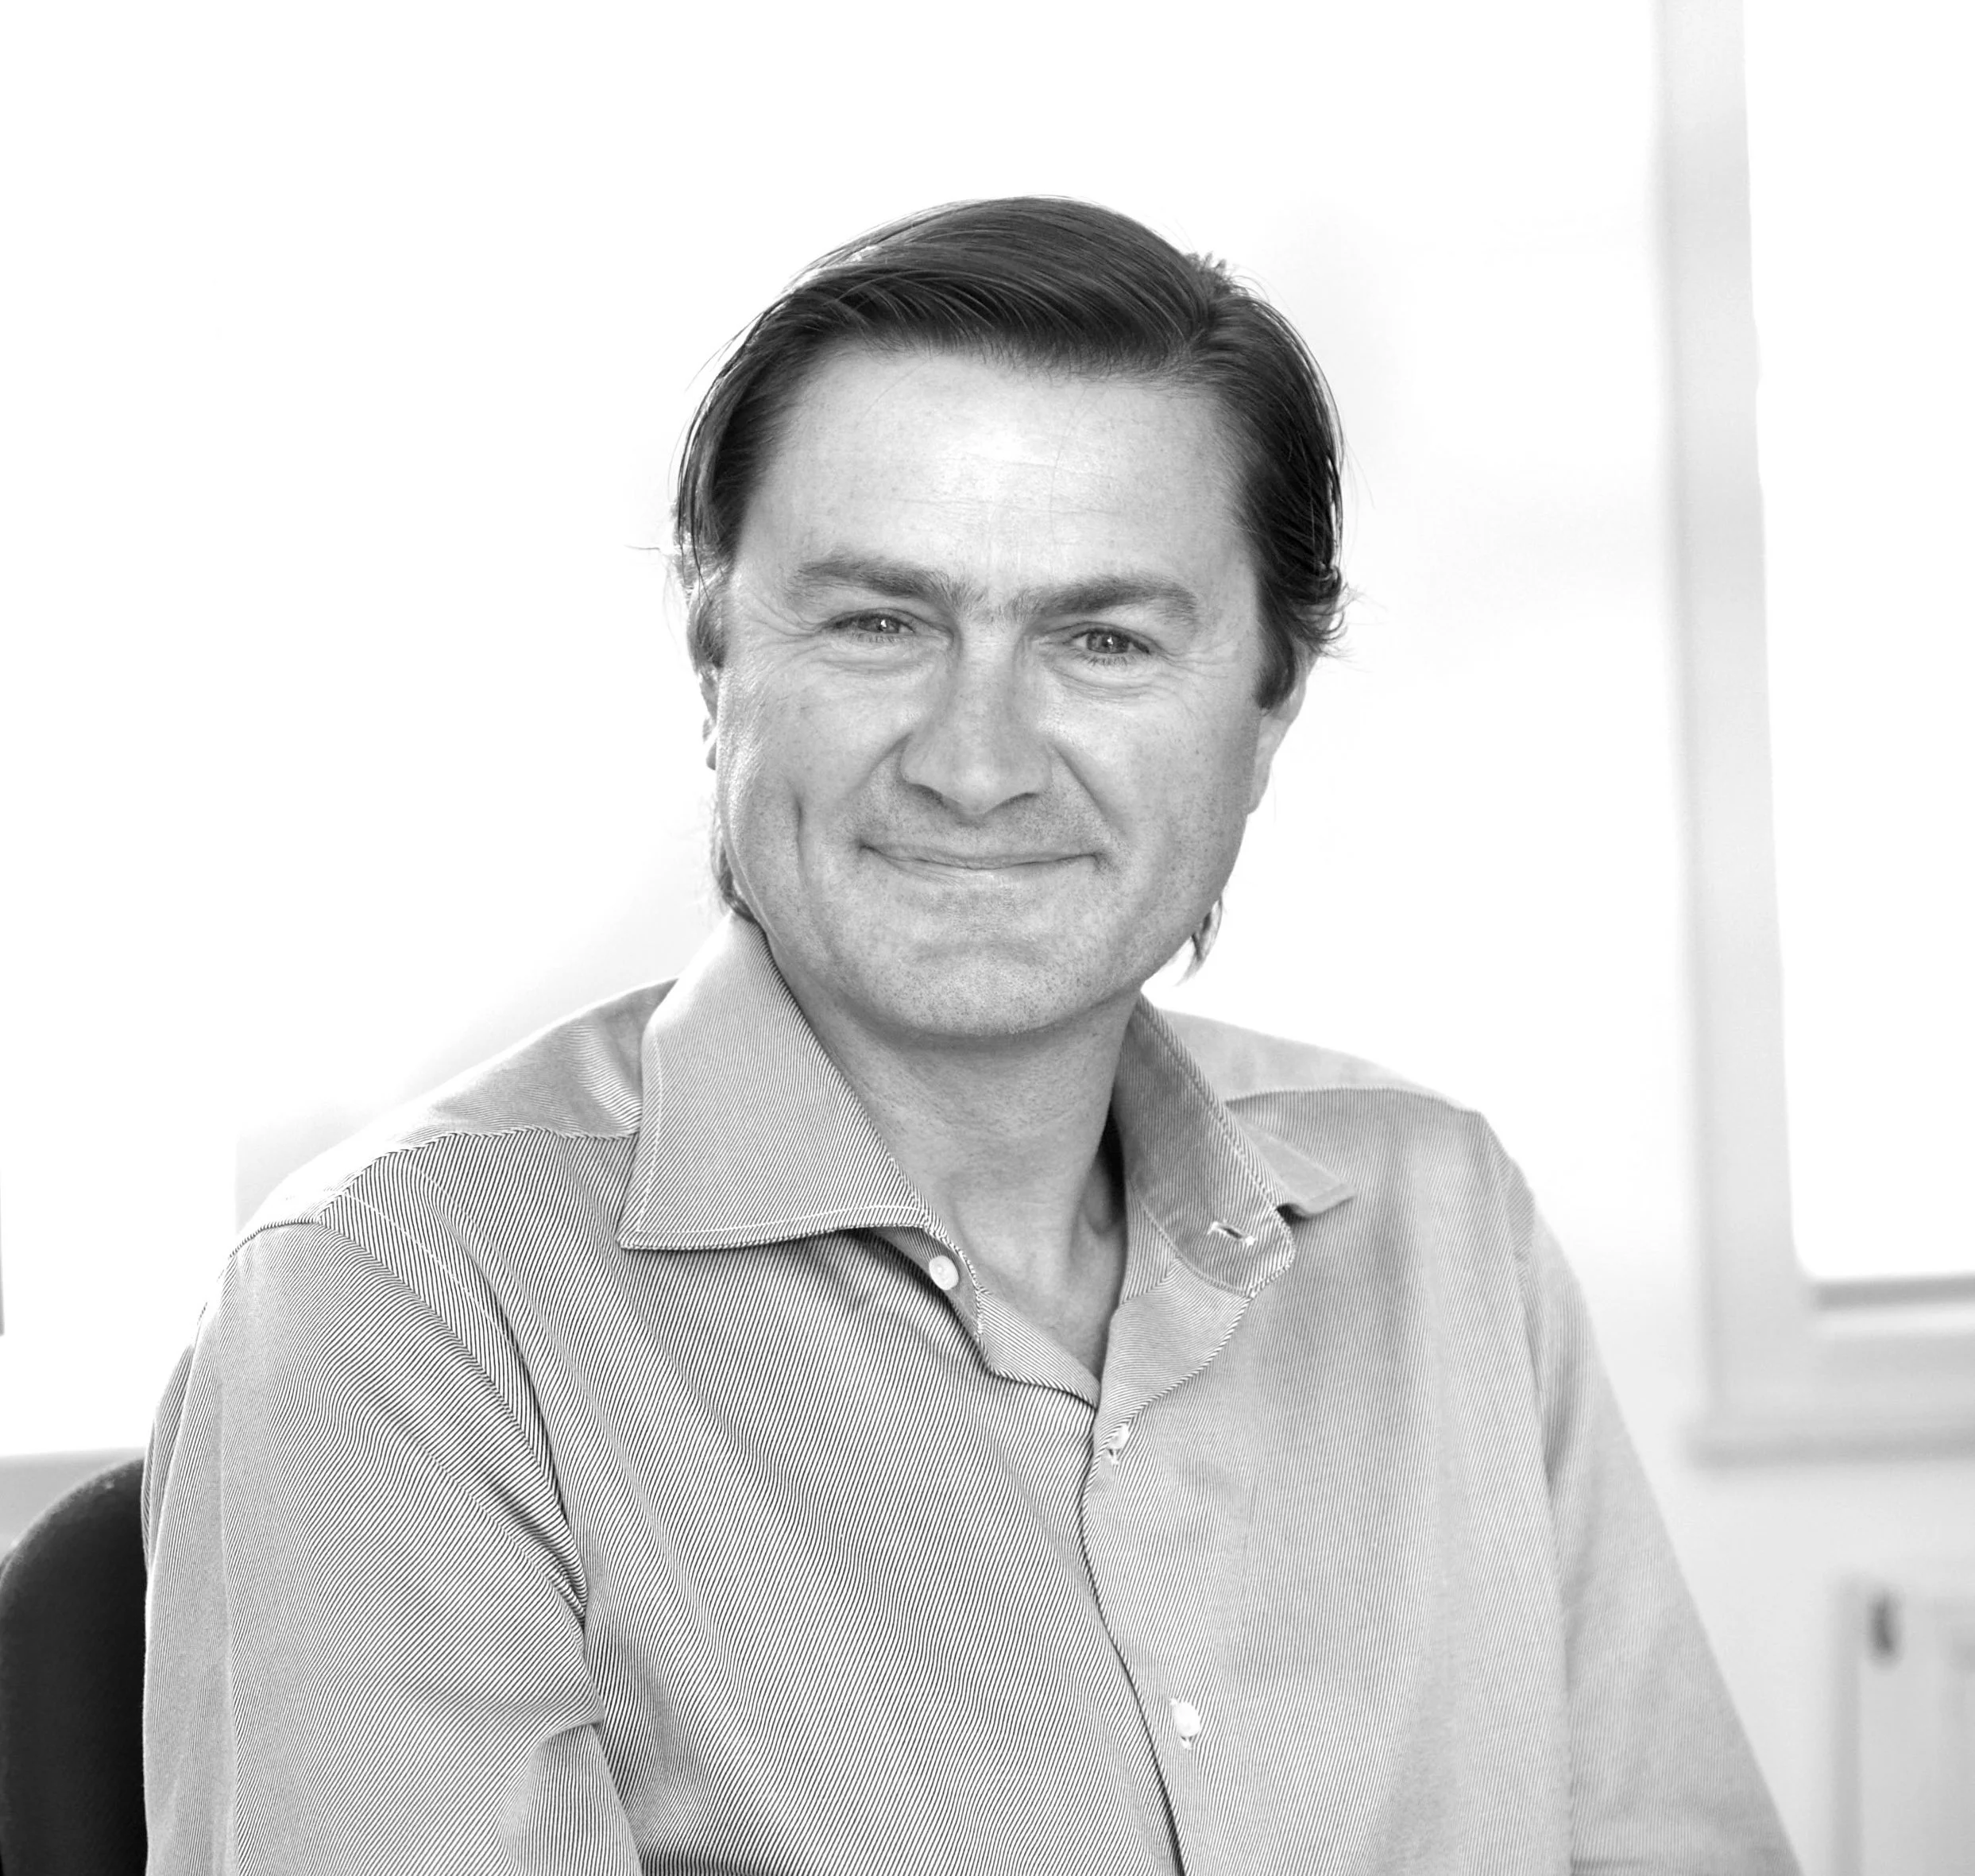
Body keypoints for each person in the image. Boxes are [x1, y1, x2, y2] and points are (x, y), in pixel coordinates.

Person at [142, 198, 1799, 1873]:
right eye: (880, 622)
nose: (976, 762)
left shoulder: (1443, 1221)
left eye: (1102, 641)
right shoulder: (399, 1305)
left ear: (1269, 705)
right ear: (716, 659)